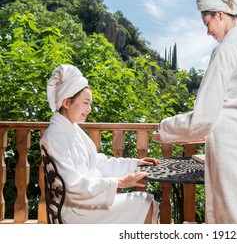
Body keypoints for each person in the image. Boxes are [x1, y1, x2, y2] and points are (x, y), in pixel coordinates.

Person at [153, 0, 237, 223]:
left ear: (220, 15)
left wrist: (166, 129)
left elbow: (204, 118)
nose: (208, 31)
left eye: (207, 23)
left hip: (229, 146)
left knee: (230, 219)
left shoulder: (226, 49)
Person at [40, 64, 160, 224]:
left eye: (90, 104)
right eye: (85, 103)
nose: (89, 109)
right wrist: (119, 183)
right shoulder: (55, 137)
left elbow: (96, 163)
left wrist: (134, 164)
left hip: (83, 204)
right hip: (75, 212)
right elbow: (72, 186)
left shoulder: (71, 129)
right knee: (144, 202)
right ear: (67, 103)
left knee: (146, 201)